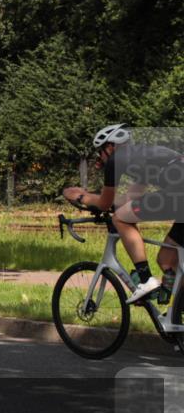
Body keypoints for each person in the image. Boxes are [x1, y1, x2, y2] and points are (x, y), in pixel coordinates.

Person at [63, 124, 184, 304]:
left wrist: (81, 196)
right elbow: (128, 199)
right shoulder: (146, 155)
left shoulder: (115, 159)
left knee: (120, 218)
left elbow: (105, 204)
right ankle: (177, 319)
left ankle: (145, 280)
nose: (101, 158)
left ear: (110, 146)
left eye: (100, 152)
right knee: (167, 260)